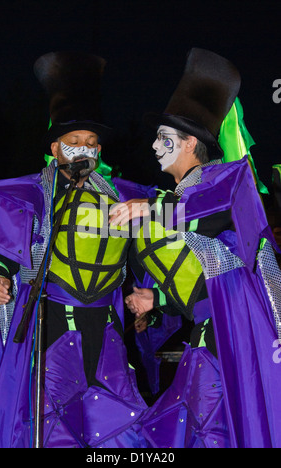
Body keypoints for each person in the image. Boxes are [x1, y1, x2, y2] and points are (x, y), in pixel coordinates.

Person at [109, 48, 281, 448]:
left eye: (163, 138)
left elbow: (211, 212)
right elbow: (207, 275)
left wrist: (149, 206)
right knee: (197, 422)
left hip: (241, 329)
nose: (154, 146)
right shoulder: (184, 196)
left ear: (189, 144)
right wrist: (160, 300)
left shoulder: (223, 183)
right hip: (218, 328)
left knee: (202, 421)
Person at [0, 51, 153, 448]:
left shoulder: (120, 196)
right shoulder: (30, 194)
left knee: (119, 417)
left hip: (105, 328)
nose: (85, 149)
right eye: (75, 141)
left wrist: (149, 298)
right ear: (56, 148)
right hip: (52, 322)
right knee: (54, 421)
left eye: (92, 143)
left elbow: (155, 242)